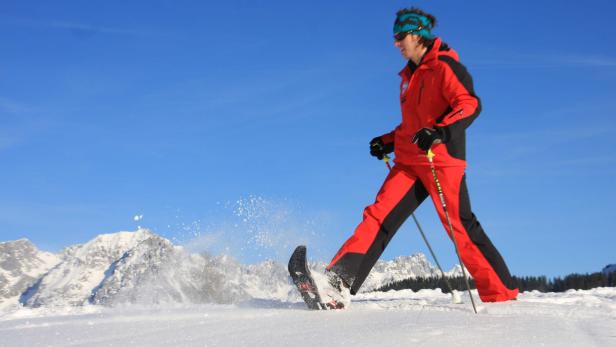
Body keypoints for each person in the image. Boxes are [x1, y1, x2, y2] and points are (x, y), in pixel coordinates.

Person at [321, 7, 519, 308]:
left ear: (418, 35)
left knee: (460, 226)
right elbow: (413, 125)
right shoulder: (409, 77)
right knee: (378, 217)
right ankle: (338, 282)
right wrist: (387, 141)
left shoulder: (445, 67)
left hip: (441, 160)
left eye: (401, 36)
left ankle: (501, 292)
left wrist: (440, 131)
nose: (396, 43)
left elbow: (468, 104)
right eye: (395, 37)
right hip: (409, 162)